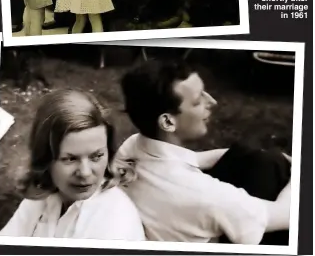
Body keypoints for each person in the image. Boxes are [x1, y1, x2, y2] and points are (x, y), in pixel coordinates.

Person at [116, 60, 293, 244]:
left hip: (169, 225)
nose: (212, 102)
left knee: (260, 158)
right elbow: (286, 213)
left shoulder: (131, 147)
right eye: (198, 100)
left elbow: (197, 159)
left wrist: (261, 155)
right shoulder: (204, 195)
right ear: (168, 122)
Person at [0, 90, 145, 240]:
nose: (85, 173)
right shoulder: (43, 193)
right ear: (45, 158)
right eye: (70, 159)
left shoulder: (115, 223)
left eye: (97, 156)